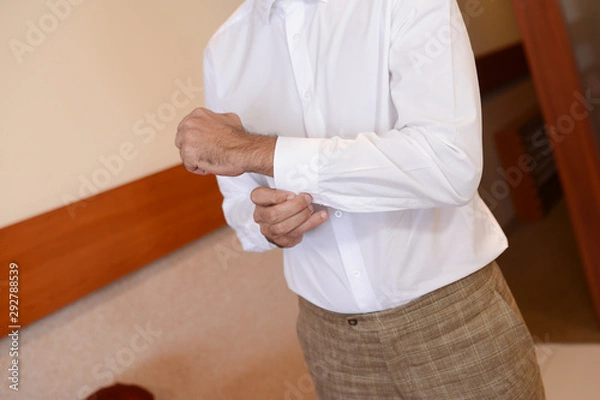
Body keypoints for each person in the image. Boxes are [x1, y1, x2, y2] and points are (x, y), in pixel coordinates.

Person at [175, 0, 546, 398]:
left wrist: (261, 150)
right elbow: (239, 203)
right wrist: (267, 226)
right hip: (331, 342)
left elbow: (449, 163)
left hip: (452, 320)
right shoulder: (224, 50)